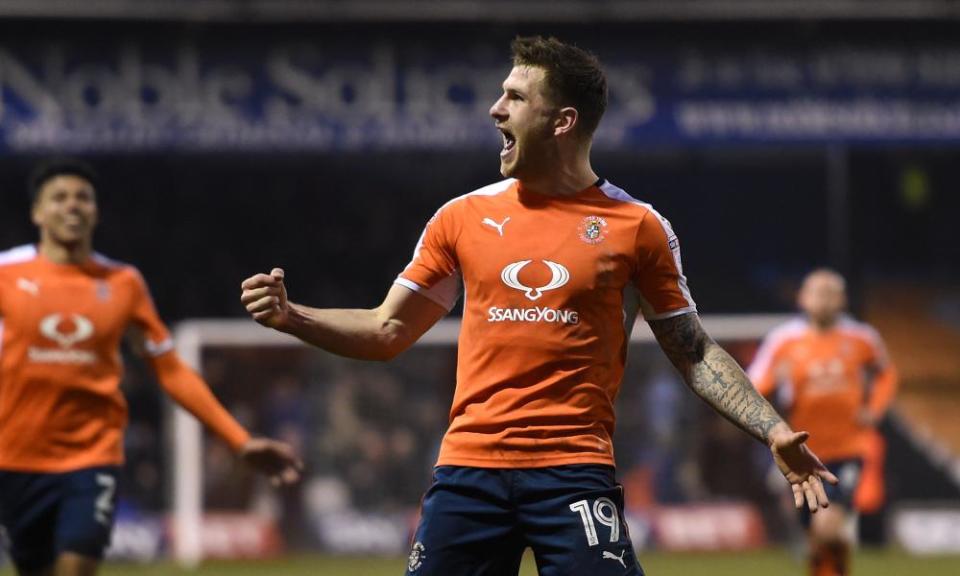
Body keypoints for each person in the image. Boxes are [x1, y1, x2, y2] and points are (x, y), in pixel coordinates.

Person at [242, 36, 837, 576]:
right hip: (469, 474)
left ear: (562, 120)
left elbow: (694, 351)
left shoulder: (637, 227)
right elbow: (387, 328)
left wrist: (773, 429)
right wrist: (294, 317)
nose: (495, 109)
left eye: (514, 97)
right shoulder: (462, 218)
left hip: (575, 473)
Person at [0, 159, 303, 576]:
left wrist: (239, 440)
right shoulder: (7, 274)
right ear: (37, 212)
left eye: (82, 198)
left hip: (92, 455)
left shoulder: (123, 283)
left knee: (75, 565)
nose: (72, 206)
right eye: (59, 198)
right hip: (15, 457)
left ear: (96, 210)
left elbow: (171, 369)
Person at [748, 269, 898, 576]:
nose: (825, 298)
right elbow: (750, 387)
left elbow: (887, 374)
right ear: (803, 298)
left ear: (842, 299)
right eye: (818, 291)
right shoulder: (783, 340)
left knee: (827, 525)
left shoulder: (862, 338)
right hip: (801, 453)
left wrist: (874, 408)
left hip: (848, 448)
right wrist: (773, 380)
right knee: (818, 535)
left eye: (832, 292)